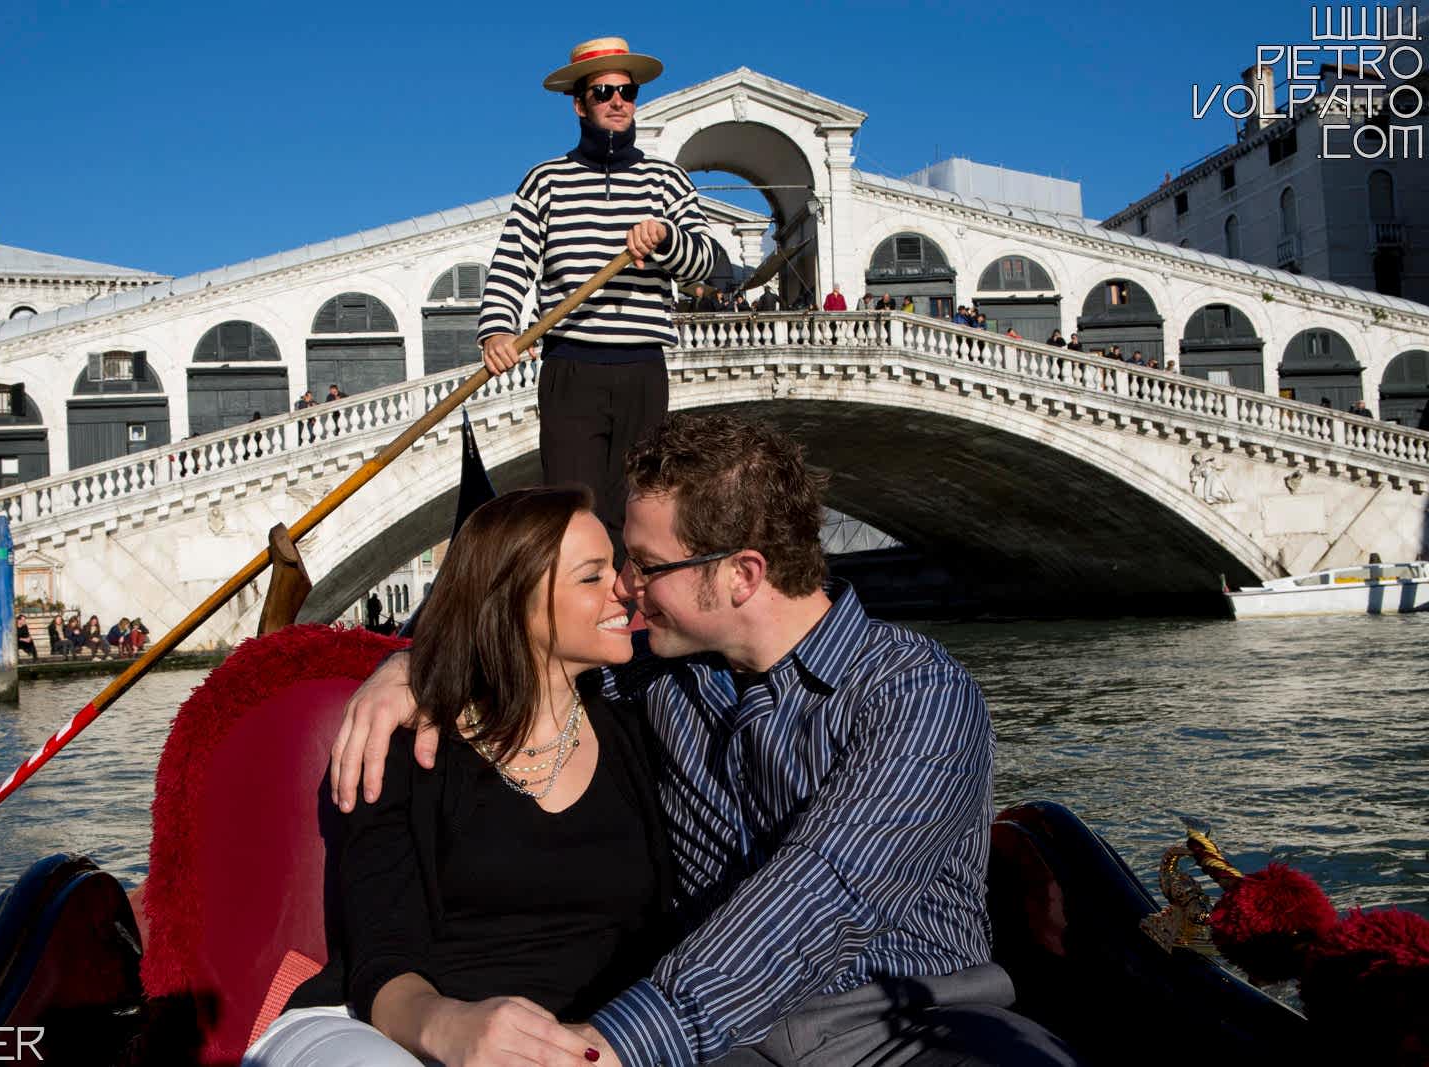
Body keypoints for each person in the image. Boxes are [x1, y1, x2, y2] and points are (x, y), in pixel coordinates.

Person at [329, 414, 1080, 1067]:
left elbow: (825, 894)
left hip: (906, 1023)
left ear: (742, 575)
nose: (626, 587)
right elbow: (516, 638)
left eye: (647, 567)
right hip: (732, 1046)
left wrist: (615, 1046)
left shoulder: (918, 695)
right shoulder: (655, 674)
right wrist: (417, 667)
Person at [248, 487, 667, 1067]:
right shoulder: (405, 745)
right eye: (592, 577)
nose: (625, 587)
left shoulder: (644, 725)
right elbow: (381, 958)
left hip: (579, 1044)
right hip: (381, 1026)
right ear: (516, 600)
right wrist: (456, 1030)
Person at [476, 38, 717, 565]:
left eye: (626, 91)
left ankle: (628, 624)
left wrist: (667, 239)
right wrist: (497, 331)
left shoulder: (667, 181)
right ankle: (576, 626)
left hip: (641, 367)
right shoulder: (545, 181)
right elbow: (513, 263)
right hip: (570, 366)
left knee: (640, 505)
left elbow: (705, 263)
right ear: (580, 103)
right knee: (570, 512)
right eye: (603, 91)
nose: (617, 101)